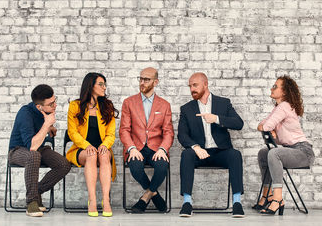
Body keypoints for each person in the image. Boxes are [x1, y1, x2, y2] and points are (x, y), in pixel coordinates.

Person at [178, 72, 245, 218]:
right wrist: (196, 147)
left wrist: (216, 118)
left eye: (195, 85)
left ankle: (237, 203)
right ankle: (187, 203)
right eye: (190, 86)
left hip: (220, 152)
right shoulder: (187, 109)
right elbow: (182, 135)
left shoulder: (223, 103)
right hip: (199, 153)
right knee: (186, 154)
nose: (192, 89)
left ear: (205, 84)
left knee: (235, 154)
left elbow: (239, 124)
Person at [255, 75, 315, 215]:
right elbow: (261, 126)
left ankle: (277, 199)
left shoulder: (284, 106)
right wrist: (269, 128)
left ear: (284, 91)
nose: (272, 88)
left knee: (274, 153)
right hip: (292, 150)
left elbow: (265, 126)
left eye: (275, 86)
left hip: (303, 152)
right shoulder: (278, 108)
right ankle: (267, 195)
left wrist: (270, 128)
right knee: (263, 153)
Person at [8, 84, 71, 217]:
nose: (55, 106)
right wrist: (47, 124)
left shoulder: (45, 112)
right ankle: (31, 202)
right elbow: (32, 146)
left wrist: (49, 128)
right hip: (18, 150)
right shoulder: (25, 113)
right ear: (39, 106)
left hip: (38, 149)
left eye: (55, 101)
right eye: (51, 104)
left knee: (63, 164)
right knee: (34, 155)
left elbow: (39, 139)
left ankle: (35, 192)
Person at [120, 67, 174, 213]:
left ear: (155, 82)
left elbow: (168, 132)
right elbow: (124, 130)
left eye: (147, 79)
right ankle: (155, 196)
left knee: (162, 167)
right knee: (135, 168)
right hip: (136, 147)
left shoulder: (164, 105)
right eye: (141, 79)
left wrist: (163, 149)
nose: (142, 82)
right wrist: (131, 149)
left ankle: (145, 197)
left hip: (156, 148)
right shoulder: (128, 102)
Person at [66, 72, 119, 217]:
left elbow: (111, 134)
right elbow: (72, 132)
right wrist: (86, 145)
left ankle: (106, 200)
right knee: (91, 154)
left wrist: (105, 145)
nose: (104, 87)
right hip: (82, 149)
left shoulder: (107, 106)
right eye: (100, 84)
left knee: (102, 155)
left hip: (102, 148)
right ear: (90, 86)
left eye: (105, 84)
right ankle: (92, 200)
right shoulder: (75, 106)